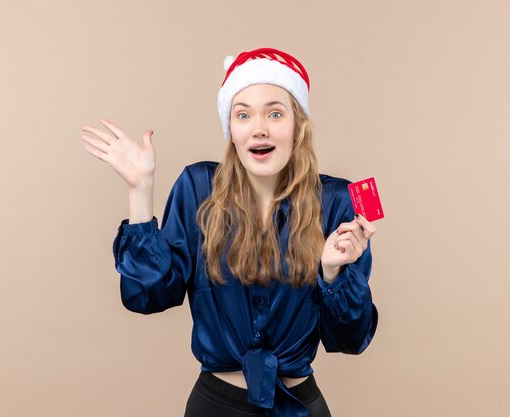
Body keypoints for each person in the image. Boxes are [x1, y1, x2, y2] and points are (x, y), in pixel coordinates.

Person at [81, 47, 379, 417]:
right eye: (243, 115)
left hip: (299, 405)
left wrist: (333, 273)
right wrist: (140, 193)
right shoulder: (198, 187)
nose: (259, 128)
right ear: (231, 130)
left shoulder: (337, 202)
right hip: (215, 407)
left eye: (275, 113)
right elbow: (150, 296)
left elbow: (351, 340)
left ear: (297, 125)